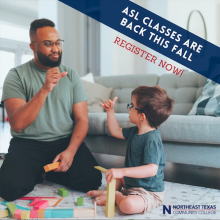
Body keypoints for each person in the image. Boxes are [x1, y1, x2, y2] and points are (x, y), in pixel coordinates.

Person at [0, 18, 102, 201]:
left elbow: (82, 119)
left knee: (92, 180)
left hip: (63, 141)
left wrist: (71, 151)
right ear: (33, 46)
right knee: (8, 188)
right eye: (48, 44)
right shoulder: (16, 75)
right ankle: (38, 170)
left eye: (57, 43)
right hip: (28, 143)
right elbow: (17, 125)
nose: (55, 49)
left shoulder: (71, 76)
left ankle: (47, 171)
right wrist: (45, 89)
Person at [87, 86, 174, 214]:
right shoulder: (135, 131)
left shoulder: (152, 139)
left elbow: (151, 169)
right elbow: (115, 131)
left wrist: (122, 171)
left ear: (142, 116)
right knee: (113, 177)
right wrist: (110, 111)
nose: (129, 108)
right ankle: (111, 192)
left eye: (132, 106)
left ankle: (115, 196)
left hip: (148, 192)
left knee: (127, 206)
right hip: (130, 183)